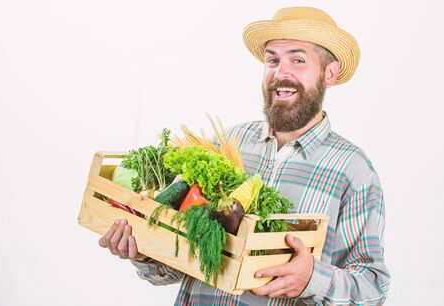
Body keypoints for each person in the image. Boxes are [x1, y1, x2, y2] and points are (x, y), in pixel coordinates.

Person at [98, 6, 391, 305]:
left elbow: (373, 289)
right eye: (273, 60)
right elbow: (179, 258)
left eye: (298, 60)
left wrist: (311, 280)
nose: (281, 73)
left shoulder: (353, 170)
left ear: (329, 73)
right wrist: (145, 252)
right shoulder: (228, 144)